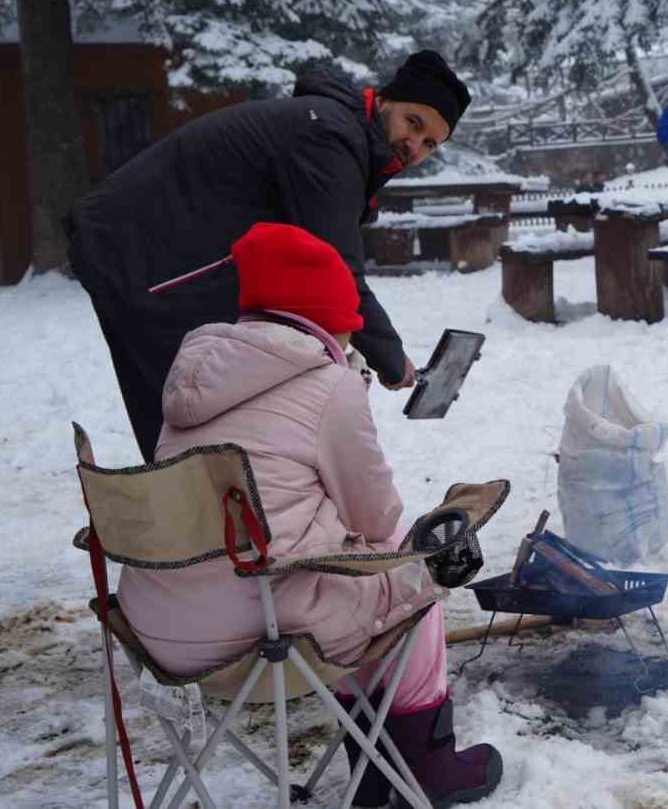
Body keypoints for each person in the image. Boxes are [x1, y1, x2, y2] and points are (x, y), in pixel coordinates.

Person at [116, 222, 502, 808]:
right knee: (411, 563)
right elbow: (378, 521)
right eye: (350, 318)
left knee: (337, 564)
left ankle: (373, 766)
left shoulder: (188, 381)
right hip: (265, 636)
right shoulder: (329, 387)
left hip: (160, 635)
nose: (355, 334)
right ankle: (423, 762)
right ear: (328, 318)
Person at [66, 50, 472, 462]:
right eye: (414, 123)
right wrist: (391, 358)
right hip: (139, 248)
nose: (414, 147)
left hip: (145, 245)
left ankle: (200, 508)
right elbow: (339, 269)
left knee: (195, 400)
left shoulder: (335, 132)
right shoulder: (329, 137)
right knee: (195, 397)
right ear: (384, 100)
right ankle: (199, 509)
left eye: (429, 144)